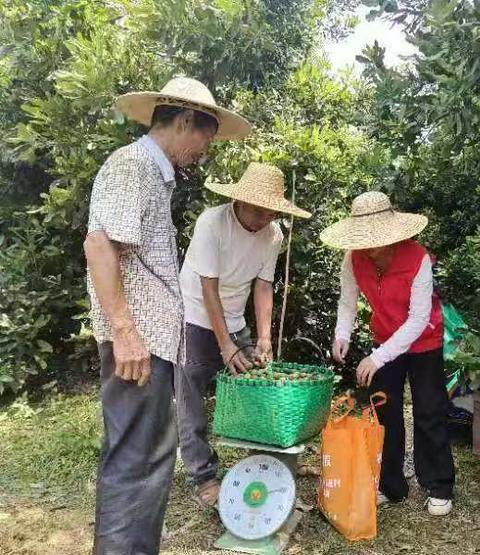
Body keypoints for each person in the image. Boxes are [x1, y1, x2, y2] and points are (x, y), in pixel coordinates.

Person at [84, 77, 250, 554]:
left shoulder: (153, 175)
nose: (205, 149)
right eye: (205, 136)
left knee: (148, 458)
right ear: (182, 123)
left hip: (152, 341)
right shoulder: (132, 166)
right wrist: (125, 333)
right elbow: (99, 245)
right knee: (135, 460)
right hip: (138, 345)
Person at [177, 162, 311, 507]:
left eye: (270, 212)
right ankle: (204, 477)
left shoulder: (274, 234)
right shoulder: (212, 223)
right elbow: (209, 288)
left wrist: (263, 338)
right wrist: (225, 346)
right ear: (238, 201)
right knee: (191, 398)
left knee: (255, 391)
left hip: (235, 319)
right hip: (193, 315)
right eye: (255, 209)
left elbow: (263, 286)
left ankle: (263, 465)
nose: (262, 218)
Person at [320, 191, 455, 517]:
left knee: (428, 411)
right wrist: (342, 335)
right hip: (384, 338)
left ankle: (438, 485)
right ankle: (390, 484)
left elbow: (418, 319)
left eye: (375, 240)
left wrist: (377, 358)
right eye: (363, 241)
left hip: (424, 341)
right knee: (385, 413)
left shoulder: (418, 258)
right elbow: (347, 301)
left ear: (393, 235)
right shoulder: (353, 258)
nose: (369, 248)